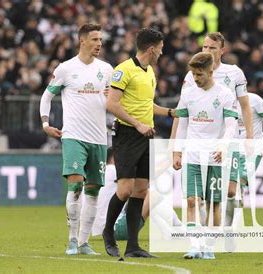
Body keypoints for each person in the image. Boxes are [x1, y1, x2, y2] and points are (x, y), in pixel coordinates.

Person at [103, 27, 181, 258]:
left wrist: (169, 112)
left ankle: (133, 246)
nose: (162, 52)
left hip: (146, 135)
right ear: (151, 49)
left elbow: (148, 105)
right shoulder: (123, 70)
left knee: (141, 190)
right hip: (127, 134)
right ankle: (108, 232)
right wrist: (137, 124)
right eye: (160, 48)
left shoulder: (150, 73)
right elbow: (112, 104)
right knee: (125, 189)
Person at [39, 23, 113, 255]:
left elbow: (112, 103)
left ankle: (83, 243)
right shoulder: (66, 68)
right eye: (94, 39)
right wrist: (45, 124)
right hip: (73, 136)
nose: (99, 44)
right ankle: (71, 239)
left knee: (93, 191)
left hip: (99, 138)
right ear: (82, 41)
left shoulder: (107, 69)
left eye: (100, 40)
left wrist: (113, 102)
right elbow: (46, 96)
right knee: (76, 184)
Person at [171, 31, 254, 229]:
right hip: (199, 142)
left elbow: (244, 106)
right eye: (204, 47)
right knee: (199, 197)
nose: (207, 50)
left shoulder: (234, 73)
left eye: (212, 48)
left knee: (230, 191)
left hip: (229, 139)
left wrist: (249, 137)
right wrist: (175, 144)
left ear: (222, 51)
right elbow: (183, 111)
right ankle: (204, 232)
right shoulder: (192, 76)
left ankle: (228, 227)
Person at [172, 52, 238, 260]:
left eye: (199, 74)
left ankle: (209, 245)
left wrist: (224, 146)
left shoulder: (225, 94)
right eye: (193, 74)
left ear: (211, 71)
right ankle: (194, 245)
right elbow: (182, 124)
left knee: (213, 204)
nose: (195, 78)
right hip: (192, 155)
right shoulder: (188, 94)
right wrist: (176, 150)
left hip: (215, 157)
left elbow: (231, 124)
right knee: (192, 200)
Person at [224, 92, 263, 251]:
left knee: (239, 187)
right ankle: (228, 227)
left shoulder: (255, 100)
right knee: (230, 192)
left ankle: (231, 230)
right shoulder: (224, 100)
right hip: (232, 149)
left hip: (253, 150)